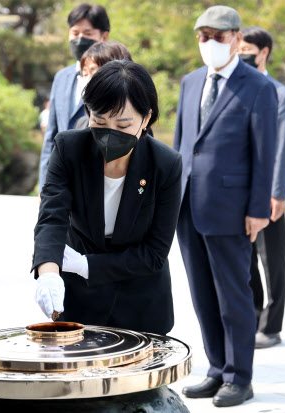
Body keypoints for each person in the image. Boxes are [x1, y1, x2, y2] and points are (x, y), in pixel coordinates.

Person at [174, 6, 277, 408]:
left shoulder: (257, 87)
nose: (209, 43)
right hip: (188, 207)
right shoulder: (190, 81)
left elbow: (263, 155)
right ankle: (216, 369)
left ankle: (239, 376)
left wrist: (258, 209)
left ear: (236, 38)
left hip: (233, 209)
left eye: (218, 36)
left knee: (234, 296)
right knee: (202, 295)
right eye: (203, 36)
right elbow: (184, 144)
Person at [32, 60, 182, 336]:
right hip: (80, 298)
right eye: (99, 122)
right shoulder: (69, 149)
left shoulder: (165, 164)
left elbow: (154, 253)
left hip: (141, 302)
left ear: (146, 118)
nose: (110, 133)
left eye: (123, 124)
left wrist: (87, 265)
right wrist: (49, 273)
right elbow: (52, 217)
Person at [238, 26, 285, 349]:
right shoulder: (238, 89)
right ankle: (254, 315)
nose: (241, 52)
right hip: (238, 194)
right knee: (245, 260)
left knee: (271, 261)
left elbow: (283, 148)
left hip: (269, 195)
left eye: (248, 47)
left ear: (264, 52)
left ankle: (272, 326)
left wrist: (277, 192)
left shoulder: (281, 94)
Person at [38, 3, 110, 190]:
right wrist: (44, 184)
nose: (80, 39)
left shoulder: (117, 77)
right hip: (62, 179)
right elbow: (51, 137)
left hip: (99, 180)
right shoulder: (61, 77)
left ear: (104, 36)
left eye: (87, 33)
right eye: (75, 33)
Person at [73, 41, 133, 130]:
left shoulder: (133, 125)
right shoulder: (81, 124)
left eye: (94, 72)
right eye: (85, 74)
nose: (88, 80)